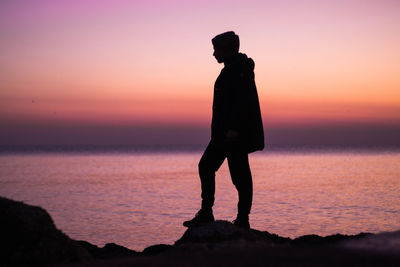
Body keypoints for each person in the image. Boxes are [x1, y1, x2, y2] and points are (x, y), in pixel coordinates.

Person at [183, 31, 264, 229]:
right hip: (224, 134)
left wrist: (234, 129)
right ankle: (208, 212)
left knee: (239, 175)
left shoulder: (238, 70)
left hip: (233, 135)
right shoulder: (232, 69)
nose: (213, 54)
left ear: (226, 49)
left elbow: (242, 103)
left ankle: (241, 219)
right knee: (209, 167)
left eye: (216, 49)